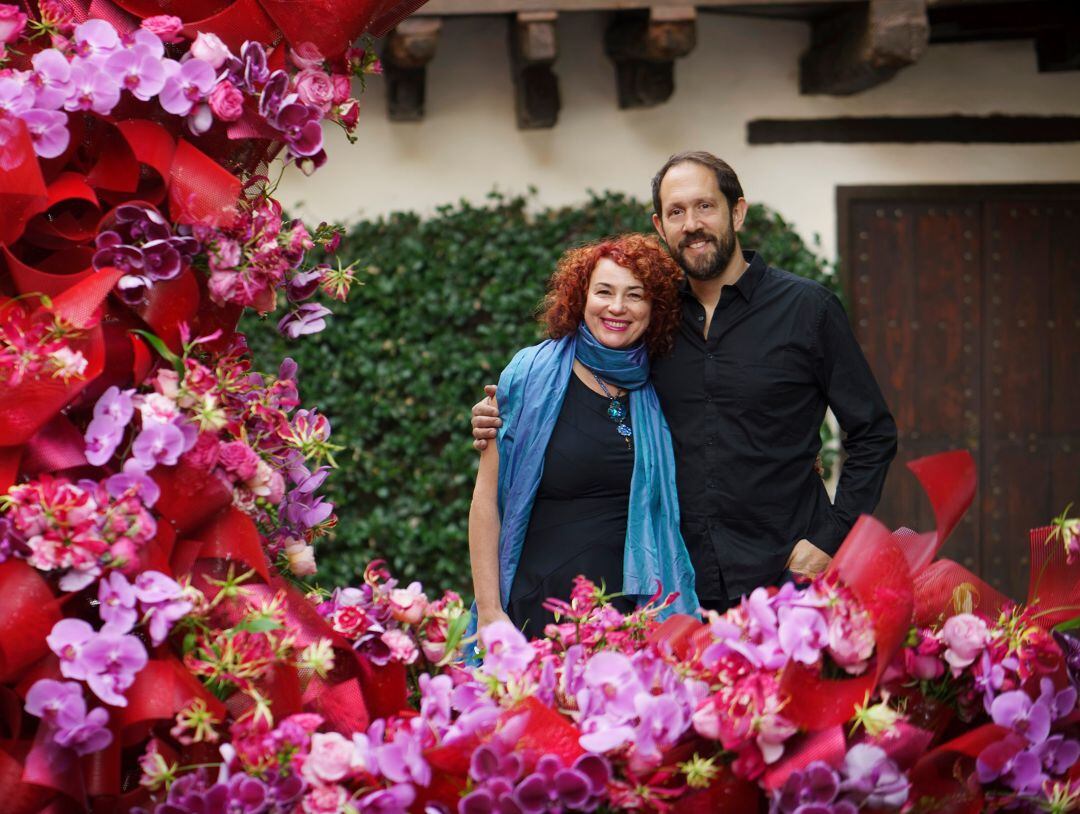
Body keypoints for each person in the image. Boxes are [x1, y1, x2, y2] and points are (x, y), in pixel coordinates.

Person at [474, 151, 898, 612]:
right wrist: (499, 413)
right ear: (661, 226)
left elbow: (873, 433)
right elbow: (581, 382)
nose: (691, 223)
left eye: (704, 206)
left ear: (737, 211)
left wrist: (831, 537)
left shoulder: (807, 310)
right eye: (676, 212)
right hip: (678, 589)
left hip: (787, 575)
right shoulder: (652, 321)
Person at [469, 234, 698, 637]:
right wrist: (489, 613)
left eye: (635, 295)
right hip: (538, 611)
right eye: (604, 292)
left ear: (654, 308)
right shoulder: (528, 375)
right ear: (581, 298)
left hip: (633, 621)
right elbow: (486, 501)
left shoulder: (666, 384)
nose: (617, 307)